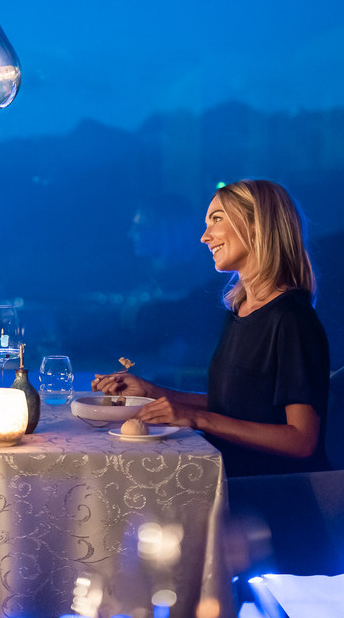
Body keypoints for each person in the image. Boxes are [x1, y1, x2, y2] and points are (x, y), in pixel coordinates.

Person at [93, 179, 330, 477]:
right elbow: (232, 408)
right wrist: (151, 392)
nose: (205, 237)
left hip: (266, 486)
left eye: (216, 219)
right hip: (221, 469)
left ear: (257, 225)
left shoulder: (292, 319)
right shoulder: (241, 310)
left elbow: (302, 441)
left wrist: (197, 419)